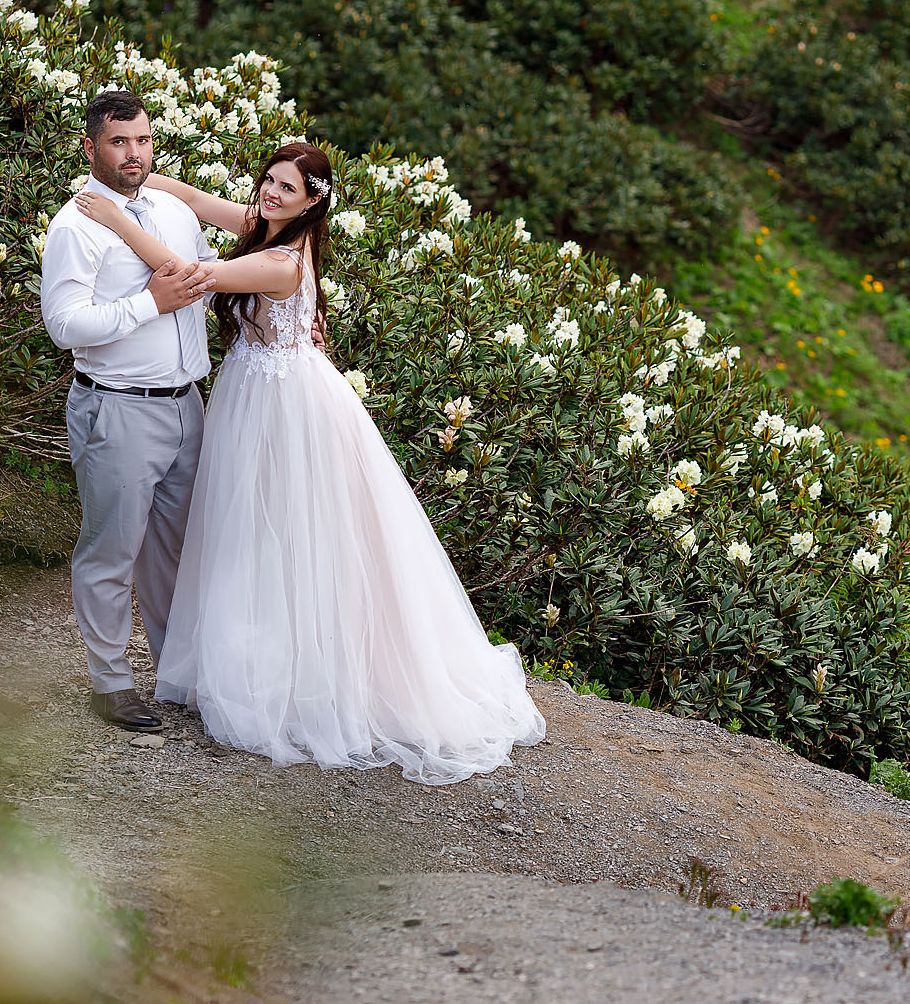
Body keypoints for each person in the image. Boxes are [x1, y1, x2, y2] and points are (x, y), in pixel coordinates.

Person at [72, 142, 545, 784]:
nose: (269, 194)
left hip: (283, 405)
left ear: (311, 202)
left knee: (285, 535)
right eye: (267, 181)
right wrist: (135, 176)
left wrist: (116, 220)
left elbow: (191, 276)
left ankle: (295, 678)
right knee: (247, 536)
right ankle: (242, 660)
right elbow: (195, 200)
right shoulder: (264, 227)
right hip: (253, 392)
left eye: (285, 189)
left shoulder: (284, 261)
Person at [40, 90, 215, 733]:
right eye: (118, 142)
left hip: (187, 405)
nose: (133, 154)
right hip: (117, 410)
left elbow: (207, 278)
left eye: (141, 140)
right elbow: (64, 326)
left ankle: (174, 670)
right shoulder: (76, 225)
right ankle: (110, 682)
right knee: (112, 550)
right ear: (92, 148)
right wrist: (150, 303)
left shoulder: (171, 210)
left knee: (176, 550)